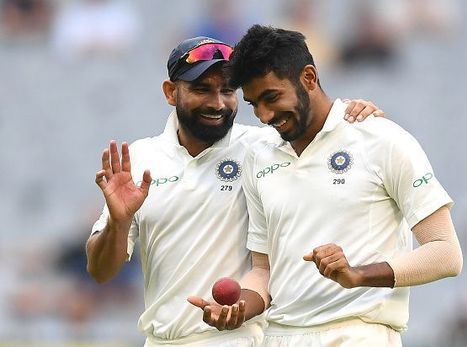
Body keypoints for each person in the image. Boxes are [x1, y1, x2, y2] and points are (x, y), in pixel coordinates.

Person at [86, 34, 384, 347]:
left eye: (227, 90)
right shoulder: (141, 159)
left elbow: (321, 132)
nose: (217, 103)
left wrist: (350, 113)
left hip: (243, 337)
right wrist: (117, 223)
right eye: (202, 90)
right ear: (171, 92)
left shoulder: (266, 148)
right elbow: (101, 272)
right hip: (161, 341)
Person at [187, 25, 463, 346]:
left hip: (357, 333)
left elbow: (446, 253)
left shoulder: (382, 139)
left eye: (271, 97)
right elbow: (263, 270)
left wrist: (358, 274)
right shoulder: (258, 158)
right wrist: (239, 308)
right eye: (253, 104)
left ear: (308, 78)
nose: (263, 115)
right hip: (279, 336)